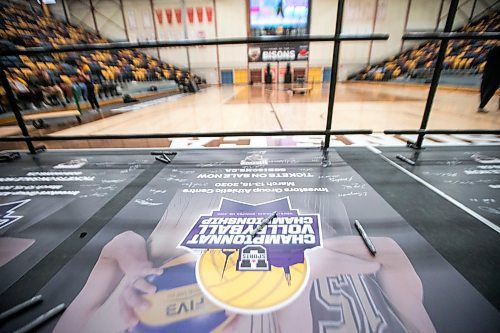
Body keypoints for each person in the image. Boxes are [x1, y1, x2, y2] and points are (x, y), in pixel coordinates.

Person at [54, 189, 436, 333]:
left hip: (190, 253)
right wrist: (309, 251)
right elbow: (386, 252)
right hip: (281, 255)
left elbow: (122, 241)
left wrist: (135, 266)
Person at [477, 45, 500, 113]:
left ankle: (481, 105)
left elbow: (487, 59)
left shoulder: (492, 50)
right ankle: (481, 106)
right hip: (497, 73)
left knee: (484, 88)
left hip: (487, 70)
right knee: (491, 89)